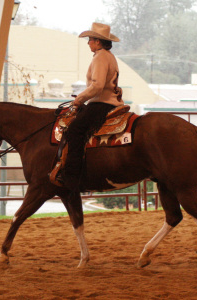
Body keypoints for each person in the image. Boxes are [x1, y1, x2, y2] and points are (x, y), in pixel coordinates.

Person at [62, 22, 124, 191]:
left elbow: (97, 86)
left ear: (97, 41)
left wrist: (79, 99)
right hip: (109, 102)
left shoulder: (101, 56)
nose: (88, 42)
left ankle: (73, 178)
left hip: (102, 103)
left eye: (90, 39)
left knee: (74, 130)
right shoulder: (109, 56)